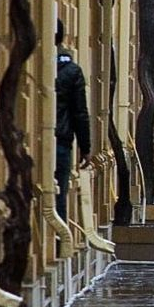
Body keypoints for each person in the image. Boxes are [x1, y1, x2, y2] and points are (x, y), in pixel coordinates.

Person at [54, 23, 92, 218]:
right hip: (61, 142)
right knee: (58, 196)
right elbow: (80, 113)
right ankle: (60, 247)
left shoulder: (34, 66)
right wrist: (85, 148)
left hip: (35, 145)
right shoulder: (71, 70)